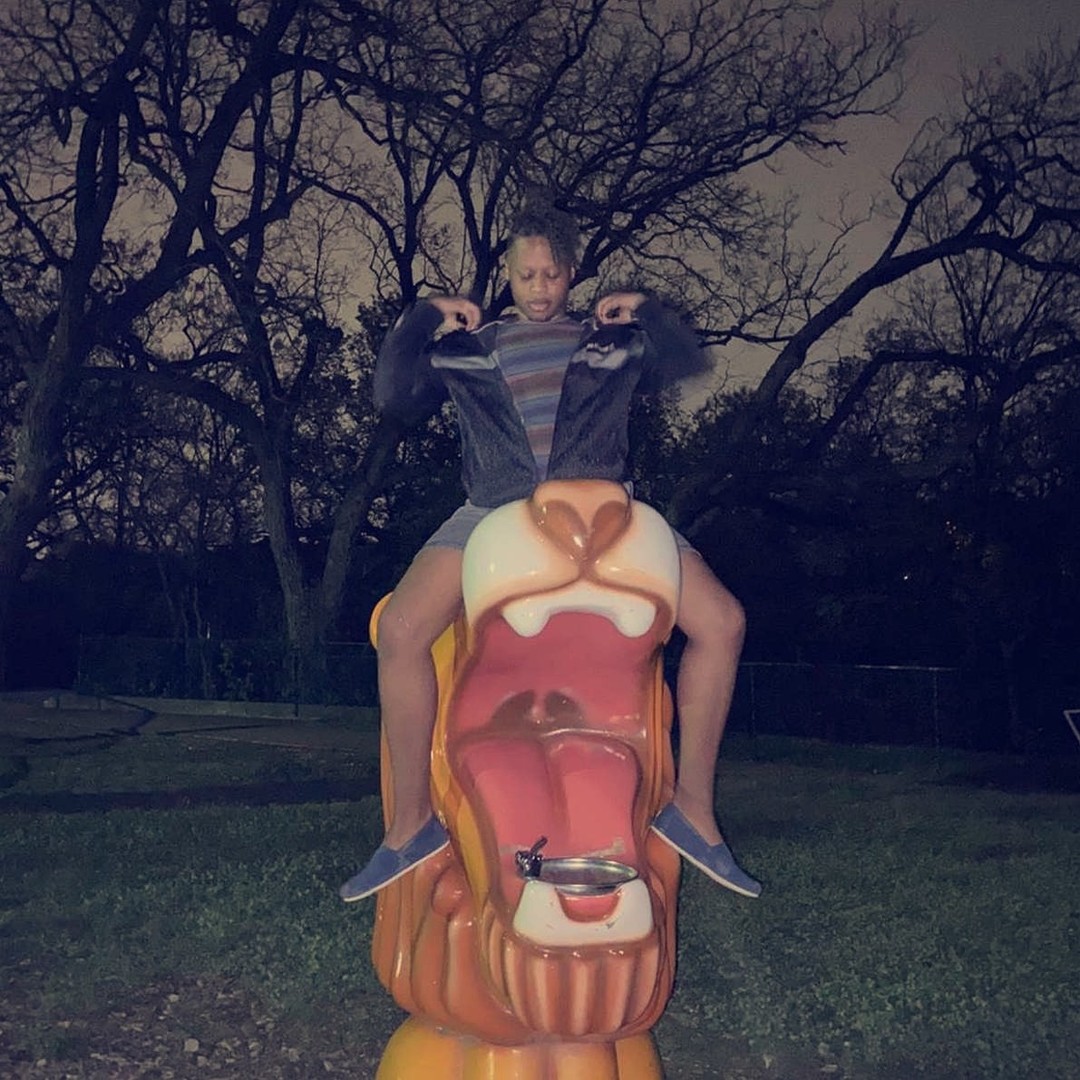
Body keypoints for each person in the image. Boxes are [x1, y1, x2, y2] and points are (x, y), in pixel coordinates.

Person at [340, 196, 760, 902]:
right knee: (404, 631)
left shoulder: (608, 339)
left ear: (572, 273)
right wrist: (422, 318)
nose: (539, 289)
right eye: (526, 275)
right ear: (508, 274)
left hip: (604, 508)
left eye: (553, 275)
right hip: (493, 510)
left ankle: (692, 809)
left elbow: (689, 364)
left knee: (724, 623)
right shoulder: (474, 345)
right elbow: (392, 396)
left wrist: (644, 310)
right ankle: (410, 825)